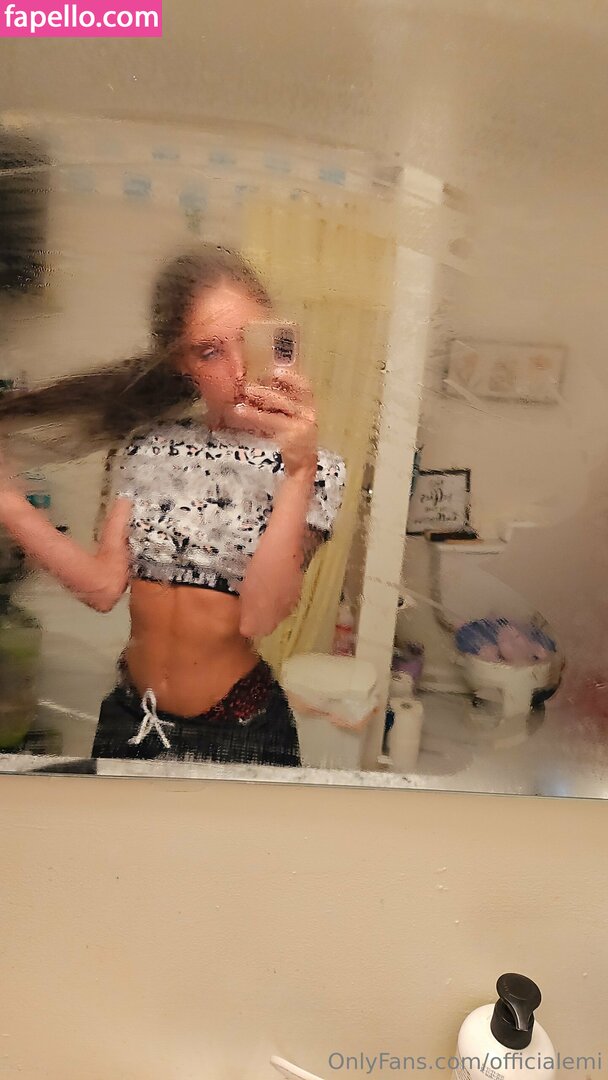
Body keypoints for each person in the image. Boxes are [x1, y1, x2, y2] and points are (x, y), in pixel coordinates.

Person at [0, 245, 346, 766]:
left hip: (239, 728)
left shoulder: (316, 469)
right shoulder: (148, 447)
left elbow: (259, 616)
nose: (235, 371)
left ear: (274, 337)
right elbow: (103, 587)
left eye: (245, 342)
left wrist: (298, 473)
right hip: (131, 718)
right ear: (184, 363)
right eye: (209, 352)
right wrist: (11, 505)